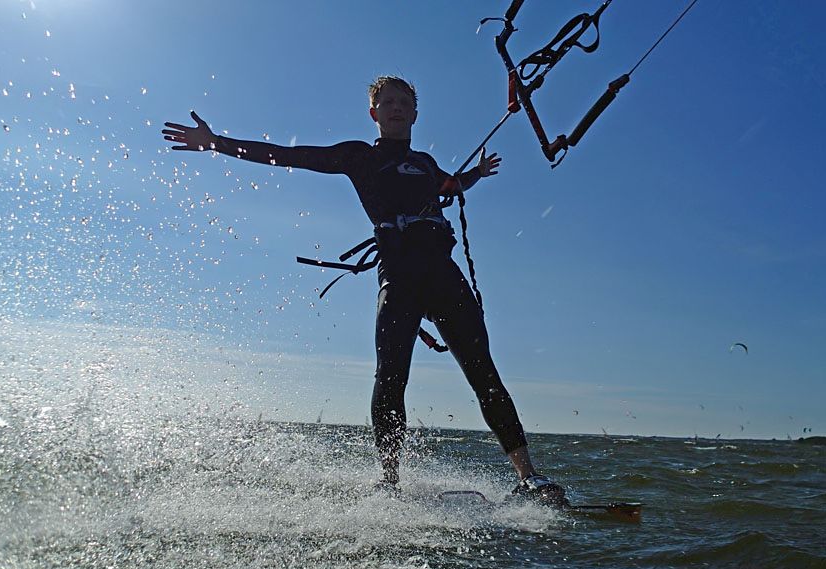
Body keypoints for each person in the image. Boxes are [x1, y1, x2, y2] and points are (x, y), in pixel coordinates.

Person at [163, 76, 564, 504]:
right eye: (386, 102)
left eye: (403, 101)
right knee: (391, 377)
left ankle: (528, 478)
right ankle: (390, 482)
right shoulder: (358, 157)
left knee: (484, 373)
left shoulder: (426, 164)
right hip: (399, 276)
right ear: (373, 113)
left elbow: (450, 187)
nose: (395, 107)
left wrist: (477, 175)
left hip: (443, 274)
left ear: (415, 112)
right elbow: (288, 155)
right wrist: (217, 143)